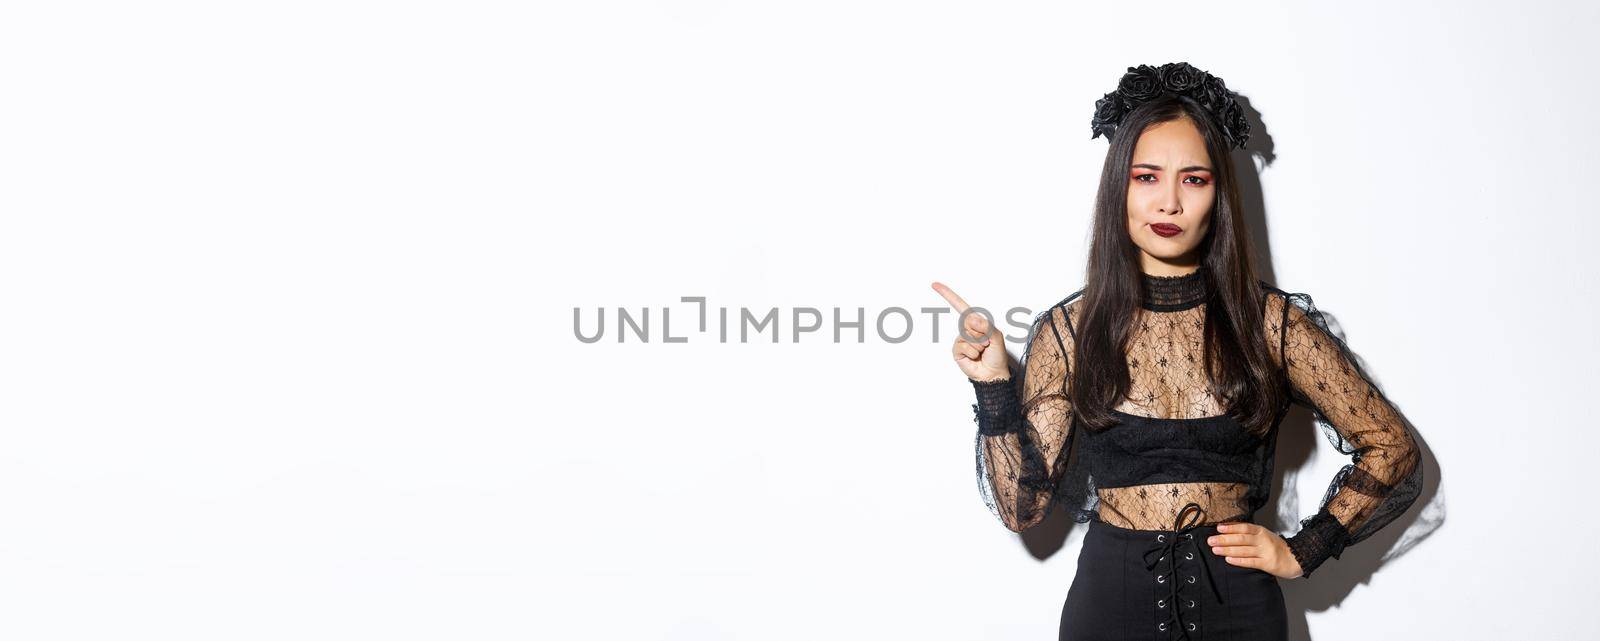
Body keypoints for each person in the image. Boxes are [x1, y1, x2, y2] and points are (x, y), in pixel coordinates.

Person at [929, 62, 1424, 641]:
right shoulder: (1070, 331)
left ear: (1220, 194)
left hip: (1240, 609)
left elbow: (1391, 448)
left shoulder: (1270, 324)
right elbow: (1022, 509)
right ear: (1119, 186)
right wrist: (992, 387)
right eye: (1146, 177)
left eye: (1193, 179)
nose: (1168, 203)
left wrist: (1306, 549)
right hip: (1108, 609)